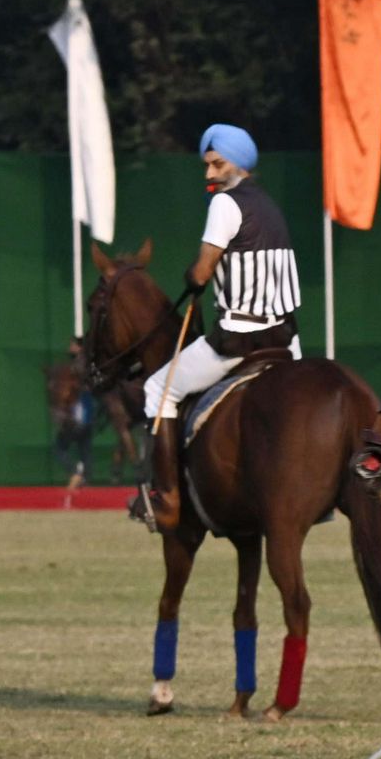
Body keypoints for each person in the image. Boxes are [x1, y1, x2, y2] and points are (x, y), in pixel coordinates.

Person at [136, 123, 301, 534]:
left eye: (217, 164)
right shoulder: (270, 206)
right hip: (286, 339)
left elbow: (203, 272)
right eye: (207, 166)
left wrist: (191, 278)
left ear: (239, 163)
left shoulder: (225, 204)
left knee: (156, 389)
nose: (209, 174)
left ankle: (166, 497)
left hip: (239, 339)